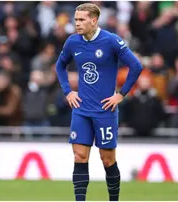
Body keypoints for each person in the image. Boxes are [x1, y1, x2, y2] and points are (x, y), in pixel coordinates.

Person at [55, 3, 143, 201]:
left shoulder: (111, 41)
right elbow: (60, 66)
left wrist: (120, 95)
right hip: (81, 109)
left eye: (81, 20)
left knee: (107, 159)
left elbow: (136, 66)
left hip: (105, 110)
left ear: (94, 21)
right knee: (79, 156)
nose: (77, 23)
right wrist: (68, 91)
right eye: (76, 20)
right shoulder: (72, 42)